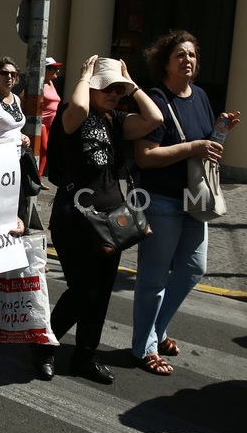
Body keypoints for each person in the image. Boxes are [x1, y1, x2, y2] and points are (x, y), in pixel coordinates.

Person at [41, 56, 163, 384]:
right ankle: (44, 345)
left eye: (118, 89)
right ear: (90, 86)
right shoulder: (72, 113)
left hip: (113, 221)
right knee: (82, 290)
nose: (114, 93)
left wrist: (130, 83)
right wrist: (83, 76)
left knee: (102, 291)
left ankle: (85, 355)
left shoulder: (116, 118)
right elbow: (80, 110)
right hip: (74, 219)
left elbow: (154, 118)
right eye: (106, 87)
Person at [131, 30, 240, 375]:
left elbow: (205, 144)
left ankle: (157, 329)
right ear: (165, 63)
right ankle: (144, 347)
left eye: (192, 55)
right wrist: (193, 148)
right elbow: (146, 156)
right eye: (180, 55)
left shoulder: (202, 97)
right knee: (153, 277)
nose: (188, 60)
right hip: (161, 199)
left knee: (194, 268)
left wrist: (220, 131)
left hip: (194, 197)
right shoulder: (157, 100)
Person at [40, 57, 63, 186]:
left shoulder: (50, 83)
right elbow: (23, 98)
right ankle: (36, 179)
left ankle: (38, 178)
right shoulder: (39, 84)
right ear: (45, 69)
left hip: (51, 124)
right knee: (44, 149)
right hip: (41, 124)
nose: (57, 70)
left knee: (46, 152)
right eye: (54, 68)